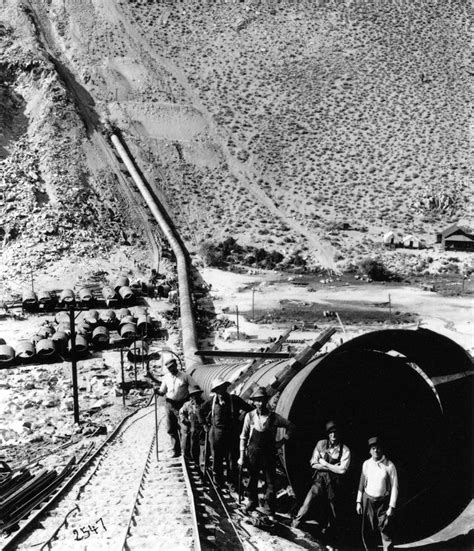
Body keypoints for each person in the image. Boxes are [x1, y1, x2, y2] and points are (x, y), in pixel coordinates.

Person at [292, 420, 351, 550]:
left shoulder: (345, 449)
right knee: (309, 500)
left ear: (339, 434)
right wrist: (331, 467)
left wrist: (325, 464)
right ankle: (294, 526)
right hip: (319, 480)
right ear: (328, 434)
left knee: (333, 511)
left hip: (334, 484)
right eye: (331, 433)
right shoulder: (321, 444)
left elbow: (342, 470)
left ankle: (332, 542)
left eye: (335, 432)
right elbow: (313, 463)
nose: (333, 435)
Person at [239, 386, 295, 520]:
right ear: (253, 402)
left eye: (262, 400)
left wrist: (282, 442)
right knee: (252, 479)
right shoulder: (250, 416)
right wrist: (241, 456)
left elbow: (291, 426)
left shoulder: (275, 418)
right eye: (257, 401)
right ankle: (252, 503)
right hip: (253, 452)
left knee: (270, 483)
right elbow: (243, 436)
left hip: (269, 454)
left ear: (266, 401)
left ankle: (270, 511)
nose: (259, 403)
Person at [203, 377, 253, 488]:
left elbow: (249, 409)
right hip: (215, 434)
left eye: (223, 388)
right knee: (217, 459)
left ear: (226, 387)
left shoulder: (234, 399)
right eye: (218, 389)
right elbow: (200, 411)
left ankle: (232, 483)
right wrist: (205, 425)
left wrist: (243, 421)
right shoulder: (212, 401)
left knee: (232, 460)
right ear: (215, 390)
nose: (221, 391)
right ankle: (218, 482)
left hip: (231, 434)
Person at [356, 436, 398, 551]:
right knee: (368, 529)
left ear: (382, 449)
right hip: (368, 500)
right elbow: (361, 483)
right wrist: (358, 502)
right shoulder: (366, 464)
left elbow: (395, 487)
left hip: (383, 502)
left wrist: (392, 506)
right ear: (370, 451)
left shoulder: (390, 466)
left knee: (385, 529)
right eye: (373, 448)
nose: (376, 451)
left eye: (378, 448)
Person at [148, 357, 196, 457]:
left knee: (184, 428)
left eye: (172, 367)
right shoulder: (166, 378)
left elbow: (195, 387)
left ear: (176, 365)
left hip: (182, 405)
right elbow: (162, 391)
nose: (171, 369)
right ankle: (176, 451)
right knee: (171, 428)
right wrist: (157, 391)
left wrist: (191, 399)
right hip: (169, 405)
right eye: (169, 368)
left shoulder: (185, 376)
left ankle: (186, 452)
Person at [179, 385, 206, 462]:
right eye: (193, 395)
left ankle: (202, 461)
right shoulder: (187, 405)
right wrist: (185, 421)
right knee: (192, 444)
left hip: (201, 428)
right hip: (192, 427)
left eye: (197, 394)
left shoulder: (203, 404)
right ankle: (190, 457)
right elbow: (181, 413)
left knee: (202, 446)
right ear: (191, 396)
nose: (195, 397)